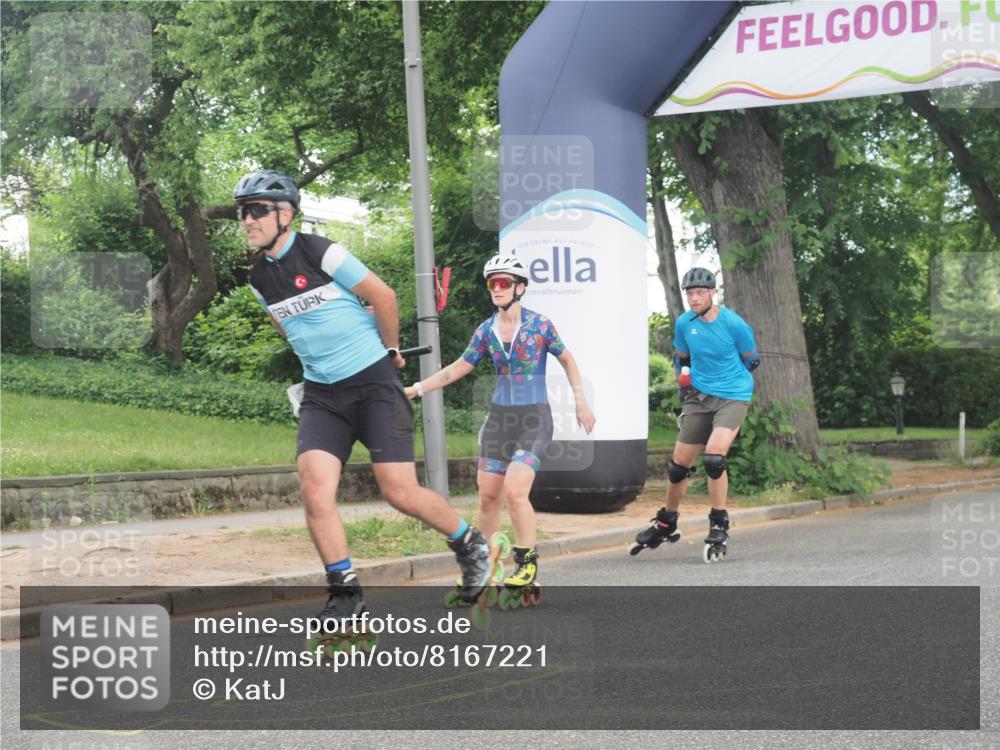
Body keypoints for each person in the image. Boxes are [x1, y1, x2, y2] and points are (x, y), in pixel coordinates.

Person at [234, 169, 491, 628]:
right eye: (244, 213)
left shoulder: (319, 250)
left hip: (373, 384)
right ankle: (345, 594)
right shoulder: (258, 278)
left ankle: (470, 543)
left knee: (400, 491)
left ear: (285, 214)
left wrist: (390, 350)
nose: (247, 221)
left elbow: (383, 296)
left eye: (256, 211)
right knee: (314, 488)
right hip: (322, 395)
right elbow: (286, 327)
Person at [405, 254, 596, 591]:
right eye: (492, 283)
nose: (497, 288)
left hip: (534, 418)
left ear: (520, 287)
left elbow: (567, 359)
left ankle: (526, 562)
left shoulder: (540, 325)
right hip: (499, 419)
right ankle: (487, 563)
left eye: (504, 282)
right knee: (487, 497)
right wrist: (417, 389)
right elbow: (460, 366)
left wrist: (581, 402)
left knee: (515, 491)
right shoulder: (486, 330)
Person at [633, 267, 759, 562]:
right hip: (697, 398)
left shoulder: (734, 324)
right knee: (678, 466)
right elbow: (683, 357)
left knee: (714, 457)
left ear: (713, 293)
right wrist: (683, 377)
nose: (694, 298)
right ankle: (666, 521)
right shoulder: (684, 323)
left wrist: (728, 378)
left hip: (732, 397)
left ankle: (718, 521)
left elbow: (752, 359)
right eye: (690, 293)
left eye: (700, 292)